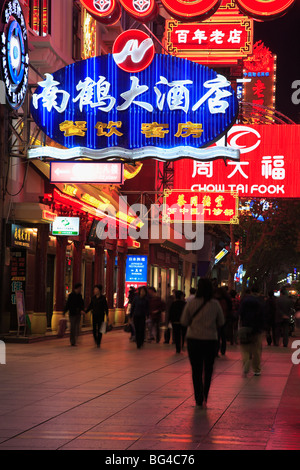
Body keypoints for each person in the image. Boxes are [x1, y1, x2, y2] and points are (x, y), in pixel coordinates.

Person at [181, 278, 224, 408]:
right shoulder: (215, 304)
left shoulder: (191, 303)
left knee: (196, 369)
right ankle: (205, 394)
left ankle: (198, 398)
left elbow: (184, 321)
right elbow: (221, 322)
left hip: (194, 340)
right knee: (208, 369)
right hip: (211, 340)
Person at [238, 287, 265, 376]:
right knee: (256, 350)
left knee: (245, 348)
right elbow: (262, 316)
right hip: (256, 329)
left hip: (245, 327)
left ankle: (246, 363)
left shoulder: (244, 301)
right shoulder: (259, 302)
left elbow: (240, 313)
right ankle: (256, 369)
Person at [214, 287, 232, 356]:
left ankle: (217, 350)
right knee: (223, 335)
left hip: (219, 319)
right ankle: (222, 350)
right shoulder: (226, 300)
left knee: (218, 335)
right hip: (224, 318)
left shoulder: (215, 300)